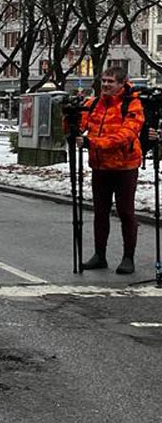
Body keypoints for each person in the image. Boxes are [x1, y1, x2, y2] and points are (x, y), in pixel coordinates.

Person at [78, 66, 145, 274]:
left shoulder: (132, 105)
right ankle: (100, 255)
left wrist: (93, 143)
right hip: (100, 166)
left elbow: (126, 135)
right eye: (104, 81)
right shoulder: (94, 103)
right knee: (100, 213)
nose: (106, 85)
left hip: (125, 166)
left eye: (111, 81)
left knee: (126, 212)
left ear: (121, 83)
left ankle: (128, 257)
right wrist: (69, 116)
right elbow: (77, 129)